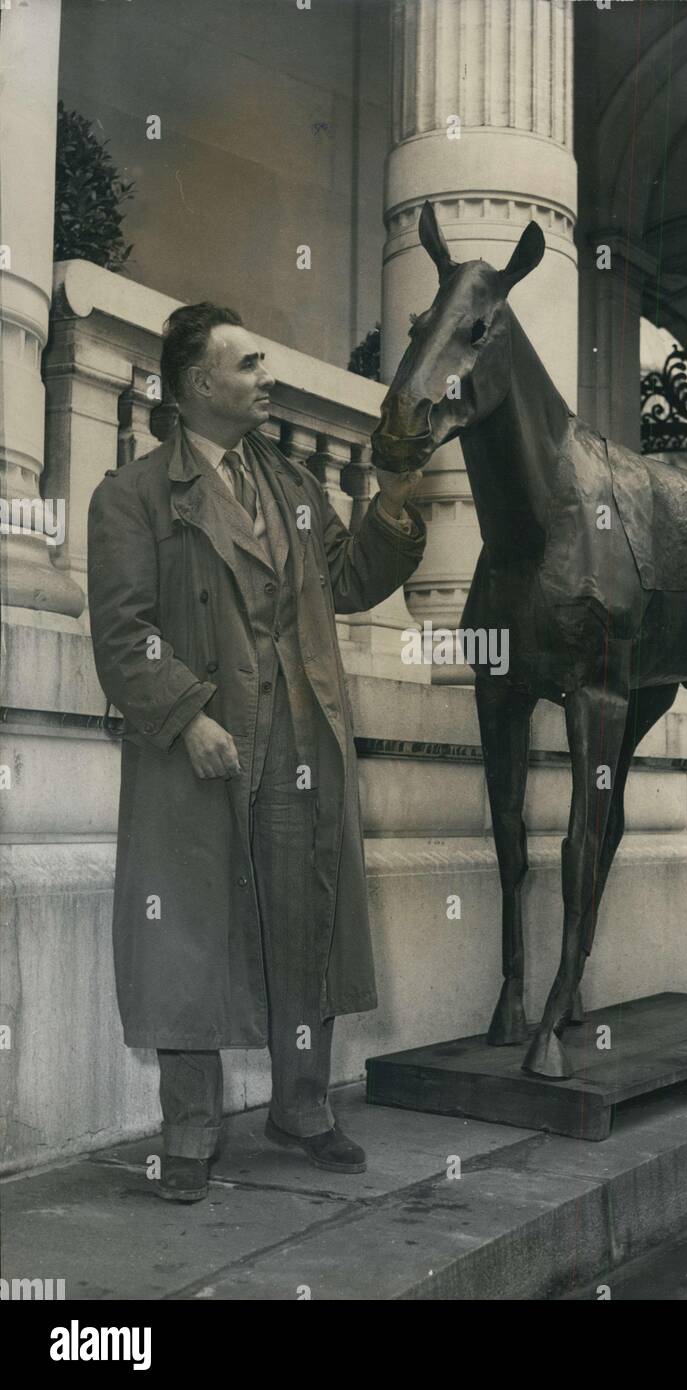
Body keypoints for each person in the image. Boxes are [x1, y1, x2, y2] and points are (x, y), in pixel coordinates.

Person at [87, 302, 425, 1202]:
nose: (267, 377)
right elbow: (124, 636)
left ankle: (302, 1108)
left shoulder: (295, 487)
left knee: (302, 922)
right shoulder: (130, 496)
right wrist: (188, 714)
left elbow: (350, 579)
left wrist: (391, 503)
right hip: (202, 752)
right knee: (189, 939)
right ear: (200, 385)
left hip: (301, 741)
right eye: (250, 364)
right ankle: (190, 1134)